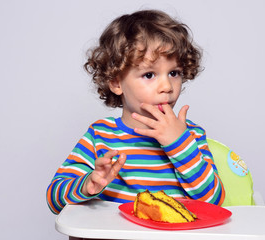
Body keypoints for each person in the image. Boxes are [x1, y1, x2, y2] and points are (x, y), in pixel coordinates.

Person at [46, 9, 225, 215]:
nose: (166, 86)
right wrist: (87, 184)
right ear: (116, 82)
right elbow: (54, 199)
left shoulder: (190, 135)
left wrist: (179, 144)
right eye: (149, 74)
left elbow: (214, 202)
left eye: (174, 73)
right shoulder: (100, 136)